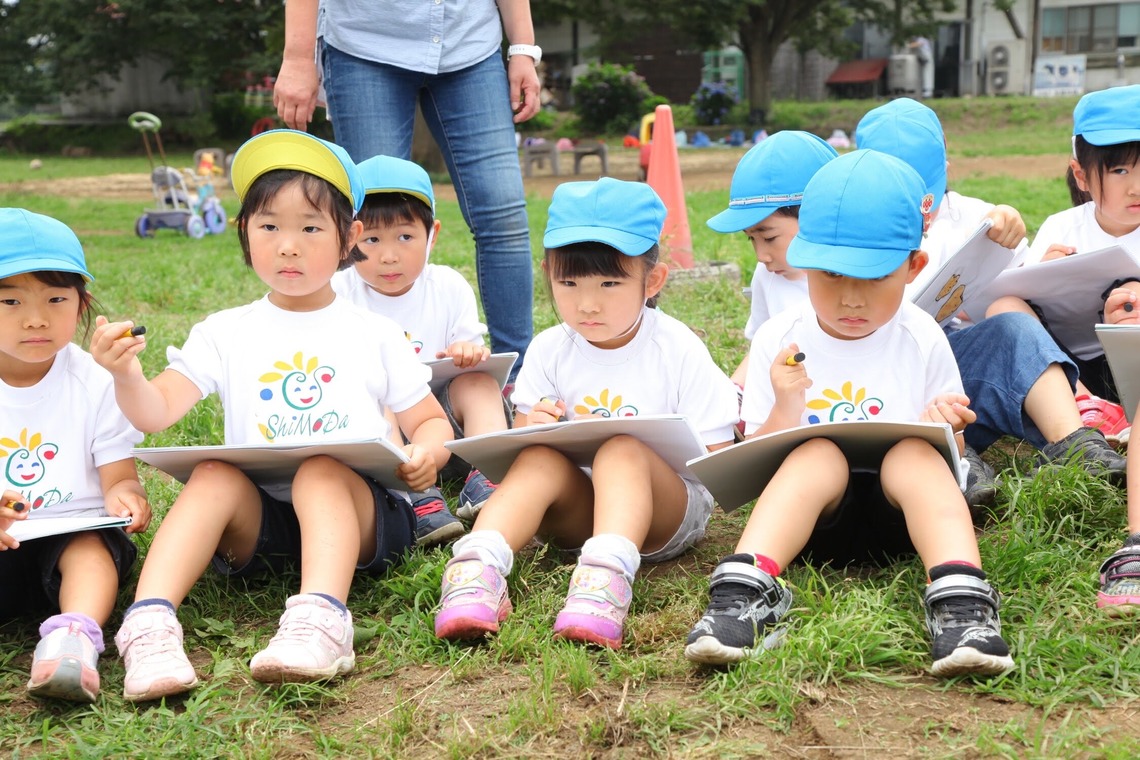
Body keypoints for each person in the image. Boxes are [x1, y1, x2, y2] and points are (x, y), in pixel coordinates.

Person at [90, 130, 454, 702]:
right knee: (213, 475)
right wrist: (126, 376)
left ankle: (321, 621)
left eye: (310, 228)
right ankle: (149, 625)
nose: (289, 246)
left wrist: (426, 452)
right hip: (259, 528)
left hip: (356, 518)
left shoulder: (374, 333)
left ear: (348, 239)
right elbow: (157, 413)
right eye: (269, 227)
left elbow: (432, 421)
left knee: (321, 469)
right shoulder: (225, 331)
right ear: (244, 233)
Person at [684, 150, 1015, 678]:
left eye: (875, 276)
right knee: (817, 451)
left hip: (904, 523)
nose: (851, 298)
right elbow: (759, 458)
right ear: (805, 261)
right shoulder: (779, 337)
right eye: (832, 275)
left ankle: (960, 600)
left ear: (913, 268)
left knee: (912, 452)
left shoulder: (922, 336)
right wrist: (787, 403)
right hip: (810, 524)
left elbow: (946, 444)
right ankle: (742, 590)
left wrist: (944, 421)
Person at [433, 179, 739, 649]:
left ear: (652, 281)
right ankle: (477, 567)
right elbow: (519, 440)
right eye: (568, 283)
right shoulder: (550, 348)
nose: (587, 303)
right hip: (579, 511)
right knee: (537, 459)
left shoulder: (676, 348)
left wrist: (651, 452)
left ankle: (605, 582)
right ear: (547, 273)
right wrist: (530, 428)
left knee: (621, 449)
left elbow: (717, 460)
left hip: (664, 515)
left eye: (610, 283)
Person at [856, 98, 1126, 501]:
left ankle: (1073, 443)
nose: (921, 214)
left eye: (926, 197)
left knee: (1012, 327)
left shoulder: (975, 218)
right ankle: (958, 463)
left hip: (959, 374)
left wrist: (1020, 249)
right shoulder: (849, 229)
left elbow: (1018, 300)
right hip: (879, 384)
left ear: (946, 164)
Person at [274, 0, 538, 378]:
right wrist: (298, 57)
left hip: (470, 43)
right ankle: (374, 379)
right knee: (372, 218)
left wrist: (523, 48)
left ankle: (517, 383)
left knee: (503, 217)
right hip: (365, 43)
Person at [0, 208, 151, 702]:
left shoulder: (94, 381)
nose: (36, 317)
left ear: (82, 304)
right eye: (11, 301)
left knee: (89, 547)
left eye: (56, 298)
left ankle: (73, 640)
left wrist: (127, 498)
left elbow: (118, 477)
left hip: (68, 534)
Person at [332, 154, 512, 537]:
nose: (389, 255)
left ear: (433, 234)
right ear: (349, 238)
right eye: (372, 240)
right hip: (386, 432)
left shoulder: (447, 286)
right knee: (381, 396)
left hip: (447, 424)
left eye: (406, 237)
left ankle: (487, 474)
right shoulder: (340, 292)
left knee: (478, 384)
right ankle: (419, 497)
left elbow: (470, 350)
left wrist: (467, 351)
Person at [987, 85, 1140, 444]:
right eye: (1119, 170)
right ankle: (1086, 408)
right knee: (1003, 307)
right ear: (1082, 175)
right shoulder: (1063, 226)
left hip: (1130, 361)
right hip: (1069, 366)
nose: (1137, 187)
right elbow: (1021, 300)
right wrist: (1042, 274)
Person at [705, 130, 838, 390]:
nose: (761, 256)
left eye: (769, 238)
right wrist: (735, 392)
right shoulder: (766, 276)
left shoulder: (863, 277)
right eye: (751, 239)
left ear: (818, 218)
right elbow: (761, 350)